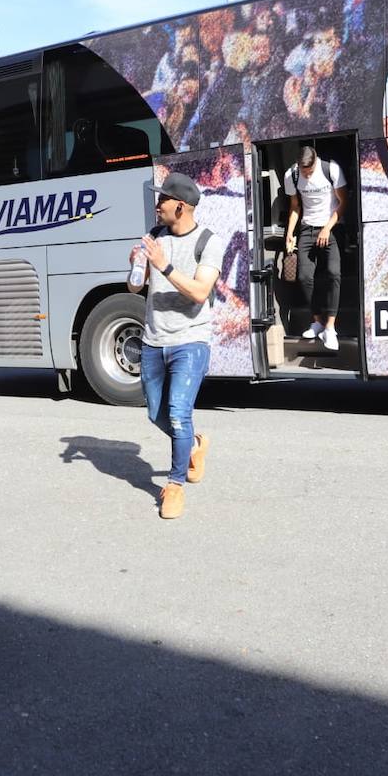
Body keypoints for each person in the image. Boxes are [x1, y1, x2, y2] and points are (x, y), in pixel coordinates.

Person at [128, 171, 223, 520]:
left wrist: (163, 265)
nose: (157, 205)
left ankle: (174, 485)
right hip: (154, 338)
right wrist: (136, 267)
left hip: (191, 339)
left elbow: (200, 292)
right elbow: (135, 289)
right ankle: (196, 445)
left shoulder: (209, 241)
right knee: (157, 414)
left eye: (163, 200)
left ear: (180, 207)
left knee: (179, 413)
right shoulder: (154, 237)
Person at [283, 145, 347, 351]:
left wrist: (327, 228)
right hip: (307, 228)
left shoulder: (331, 170)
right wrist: (290, 234)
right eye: (304, 173)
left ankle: (330, 328)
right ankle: (318, 321)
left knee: (333, 274)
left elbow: (344, 202)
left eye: (310, 172)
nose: (307, 176)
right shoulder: (291, 175)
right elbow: (295, 207)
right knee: (304, 277)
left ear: (316, 162)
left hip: (330, 227)